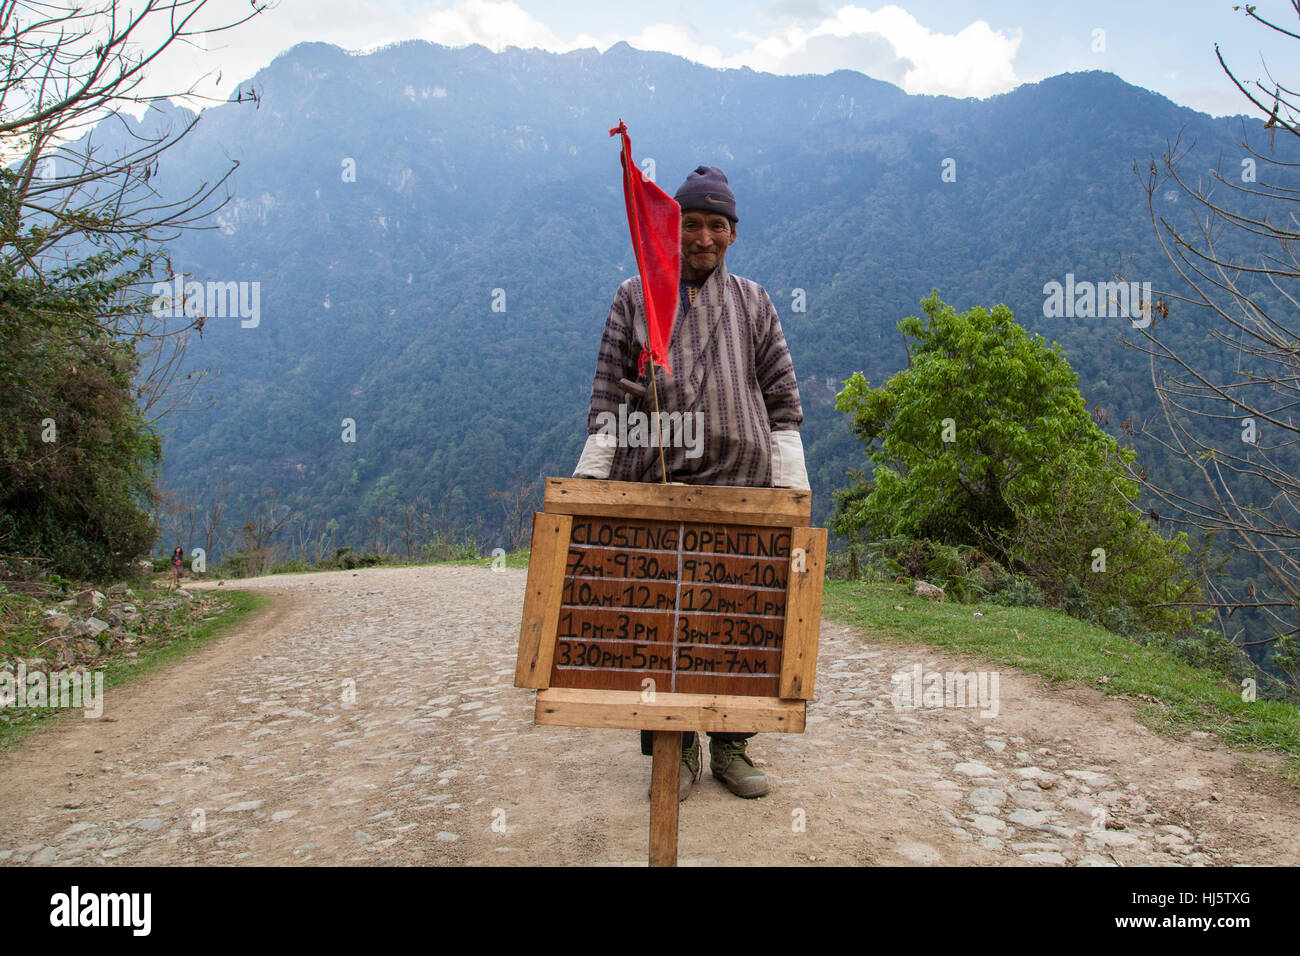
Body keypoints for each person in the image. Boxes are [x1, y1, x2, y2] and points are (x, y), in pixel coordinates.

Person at [573, 165, 810, 800]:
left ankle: (733, 744)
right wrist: (588, 491)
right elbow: (605, 398)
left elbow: (783, 401)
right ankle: (672, 751)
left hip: (742, 486)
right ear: (670, 227)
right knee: (658, 622)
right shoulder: (635, 297)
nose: (703, 236)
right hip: (655, 484)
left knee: (738, 620)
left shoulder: (754, 301)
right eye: (691, 223)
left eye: (716, 224)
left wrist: (791, 498)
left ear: (733, 232)